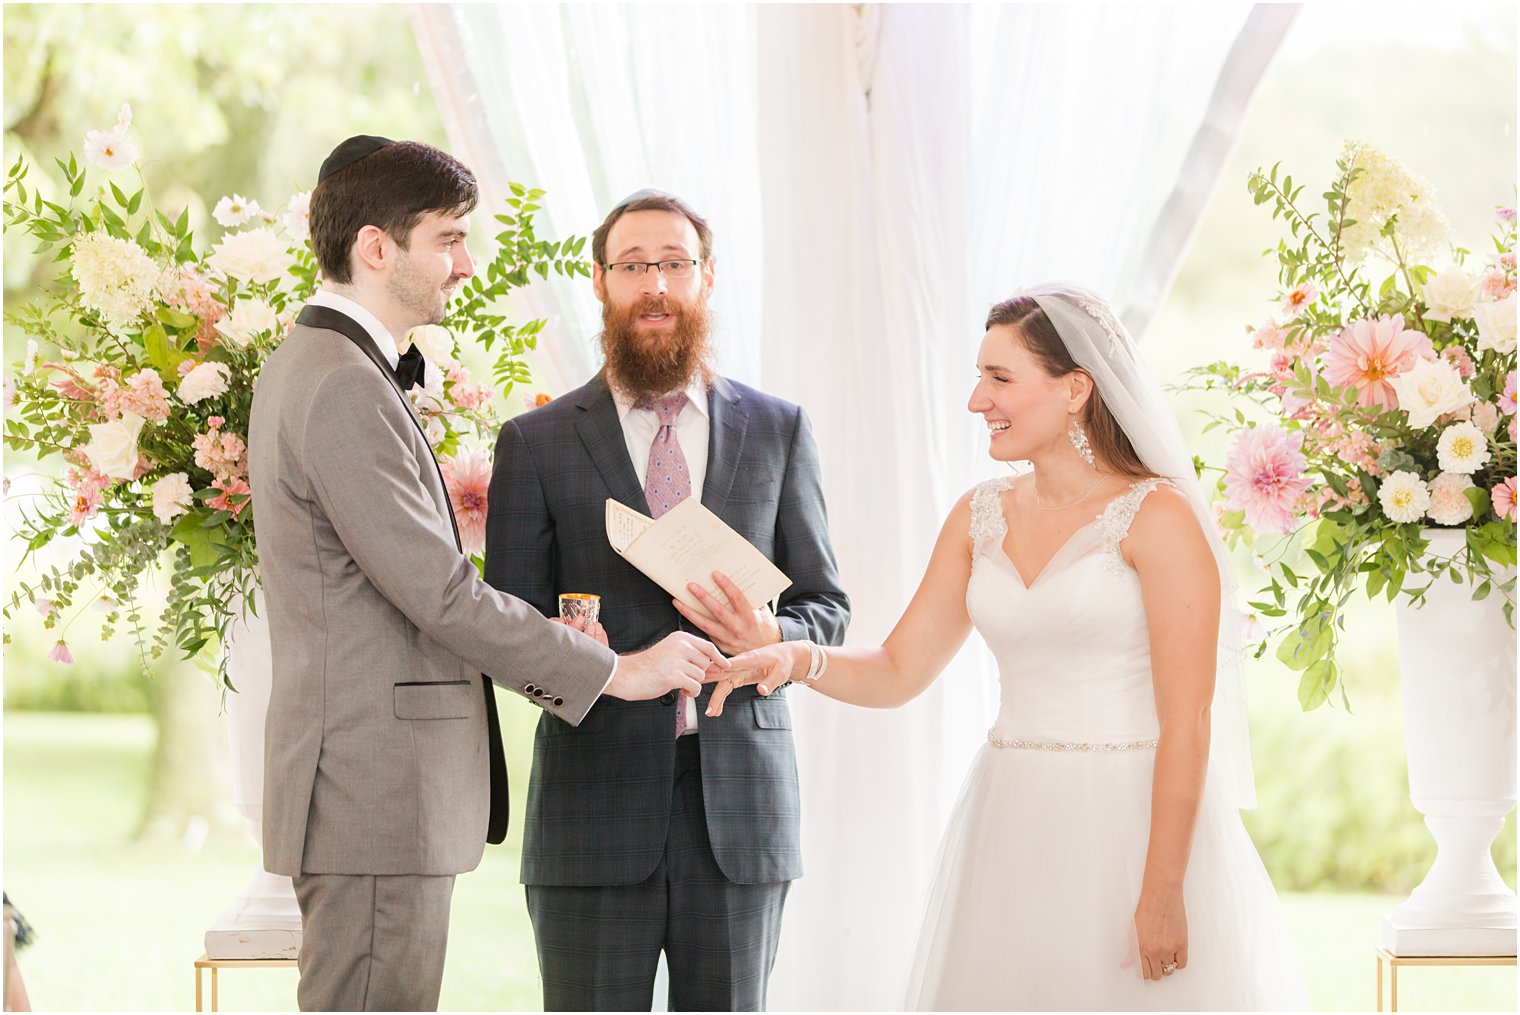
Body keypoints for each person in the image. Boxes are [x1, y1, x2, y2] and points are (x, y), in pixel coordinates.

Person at [710, 283, 1310, 1010]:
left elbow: (1189, 723)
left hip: (1130, 826)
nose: (976, 400)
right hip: (1013, 819)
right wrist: (794, 657)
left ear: (1074, 390)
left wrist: (1160, 892)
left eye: (999, 378)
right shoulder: (978, 514)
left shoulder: (1157, 518)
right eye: (978, 376)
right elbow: (900, 668)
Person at [248, 140, 725, 1012]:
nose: (466, 264)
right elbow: (439, 593)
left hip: (370, 789)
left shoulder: (326, 367)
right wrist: (621, 670)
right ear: (376, 247)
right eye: (450, 238)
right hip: (373, 788)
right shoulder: (342, 383)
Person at [484, 189, 850, 1011]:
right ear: (600, 281)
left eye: (674, 264)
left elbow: (825, 605)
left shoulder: (780, 429)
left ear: (707, 278)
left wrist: (772, 637)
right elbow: (501, 631)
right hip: (591, 813)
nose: (655, 283)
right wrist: (610, 667)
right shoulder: (534, 443)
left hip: (743, 815)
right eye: (635, 265)